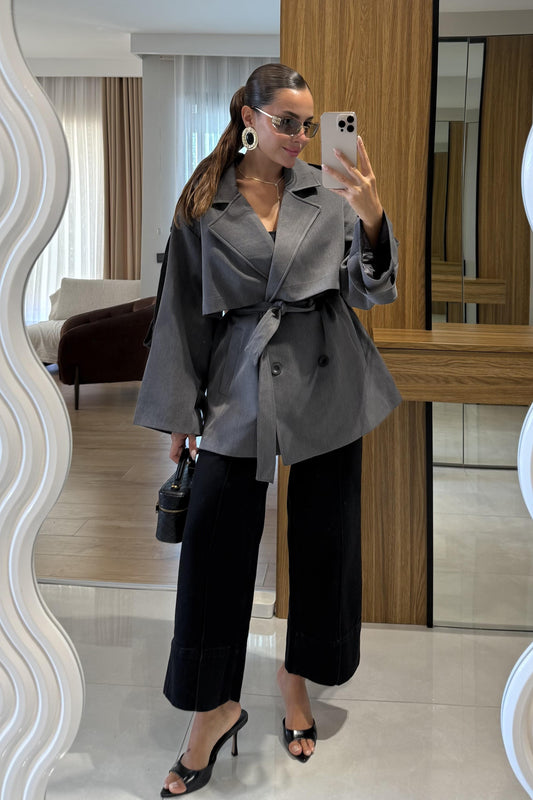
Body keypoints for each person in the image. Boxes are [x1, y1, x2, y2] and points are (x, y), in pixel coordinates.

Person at [134, 63, 400, 797]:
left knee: (324, 540)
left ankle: (295, 678)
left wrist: (371, 215)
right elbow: (179, 311)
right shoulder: (203, 199)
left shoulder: (329, 189)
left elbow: (368, 292)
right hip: (238, 382)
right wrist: (180, 415)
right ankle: (211, 709)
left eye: (309, 123)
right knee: (214, 549)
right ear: (248, 117)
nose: (300, 136)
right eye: (286, 121)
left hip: (326, 375)